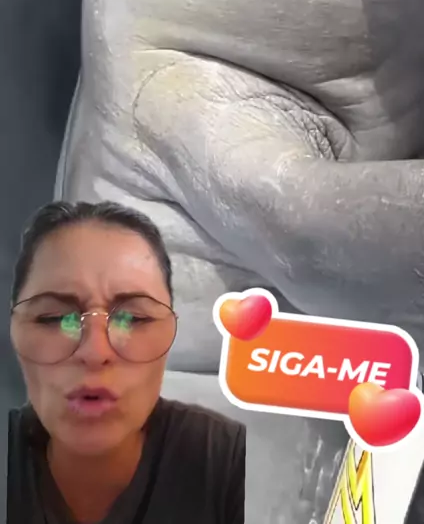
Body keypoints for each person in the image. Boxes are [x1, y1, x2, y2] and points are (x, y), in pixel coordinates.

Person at [7, 201, 246, 524]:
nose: (95, 352)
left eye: (132, 319)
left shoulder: (226, 459)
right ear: (14, 328)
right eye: (56, 318)